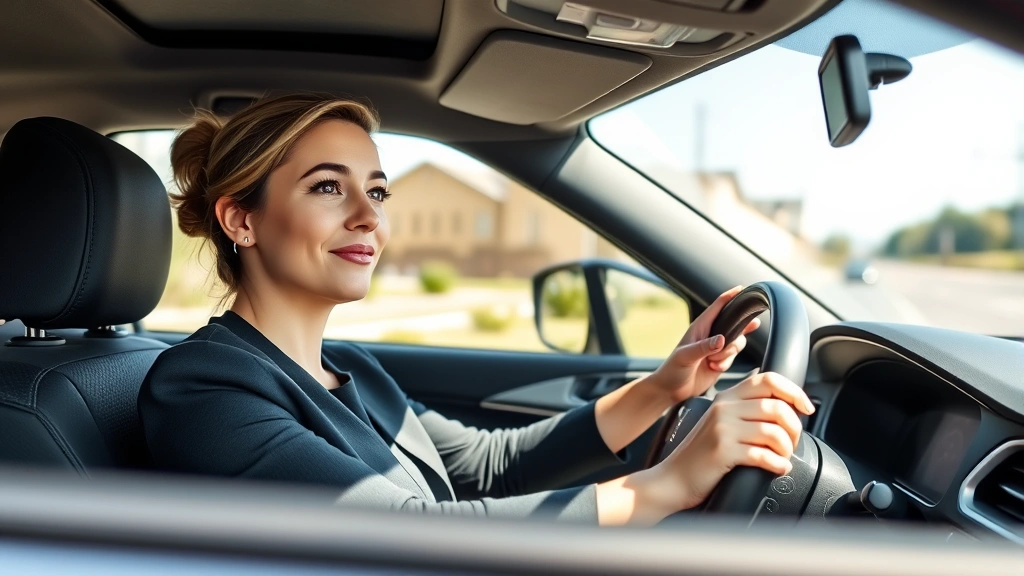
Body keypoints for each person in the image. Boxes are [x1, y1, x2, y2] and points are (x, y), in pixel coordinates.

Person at [138, 93, 814, 526]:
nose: (367, 217)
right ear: (241, 221)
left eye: (377, 192)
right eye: (326, 187)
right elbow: (411, 537)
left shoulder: (351, 369)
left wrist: (665, 387)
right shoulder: (202, 388)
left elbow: (493, 467)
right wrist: (664, 486)